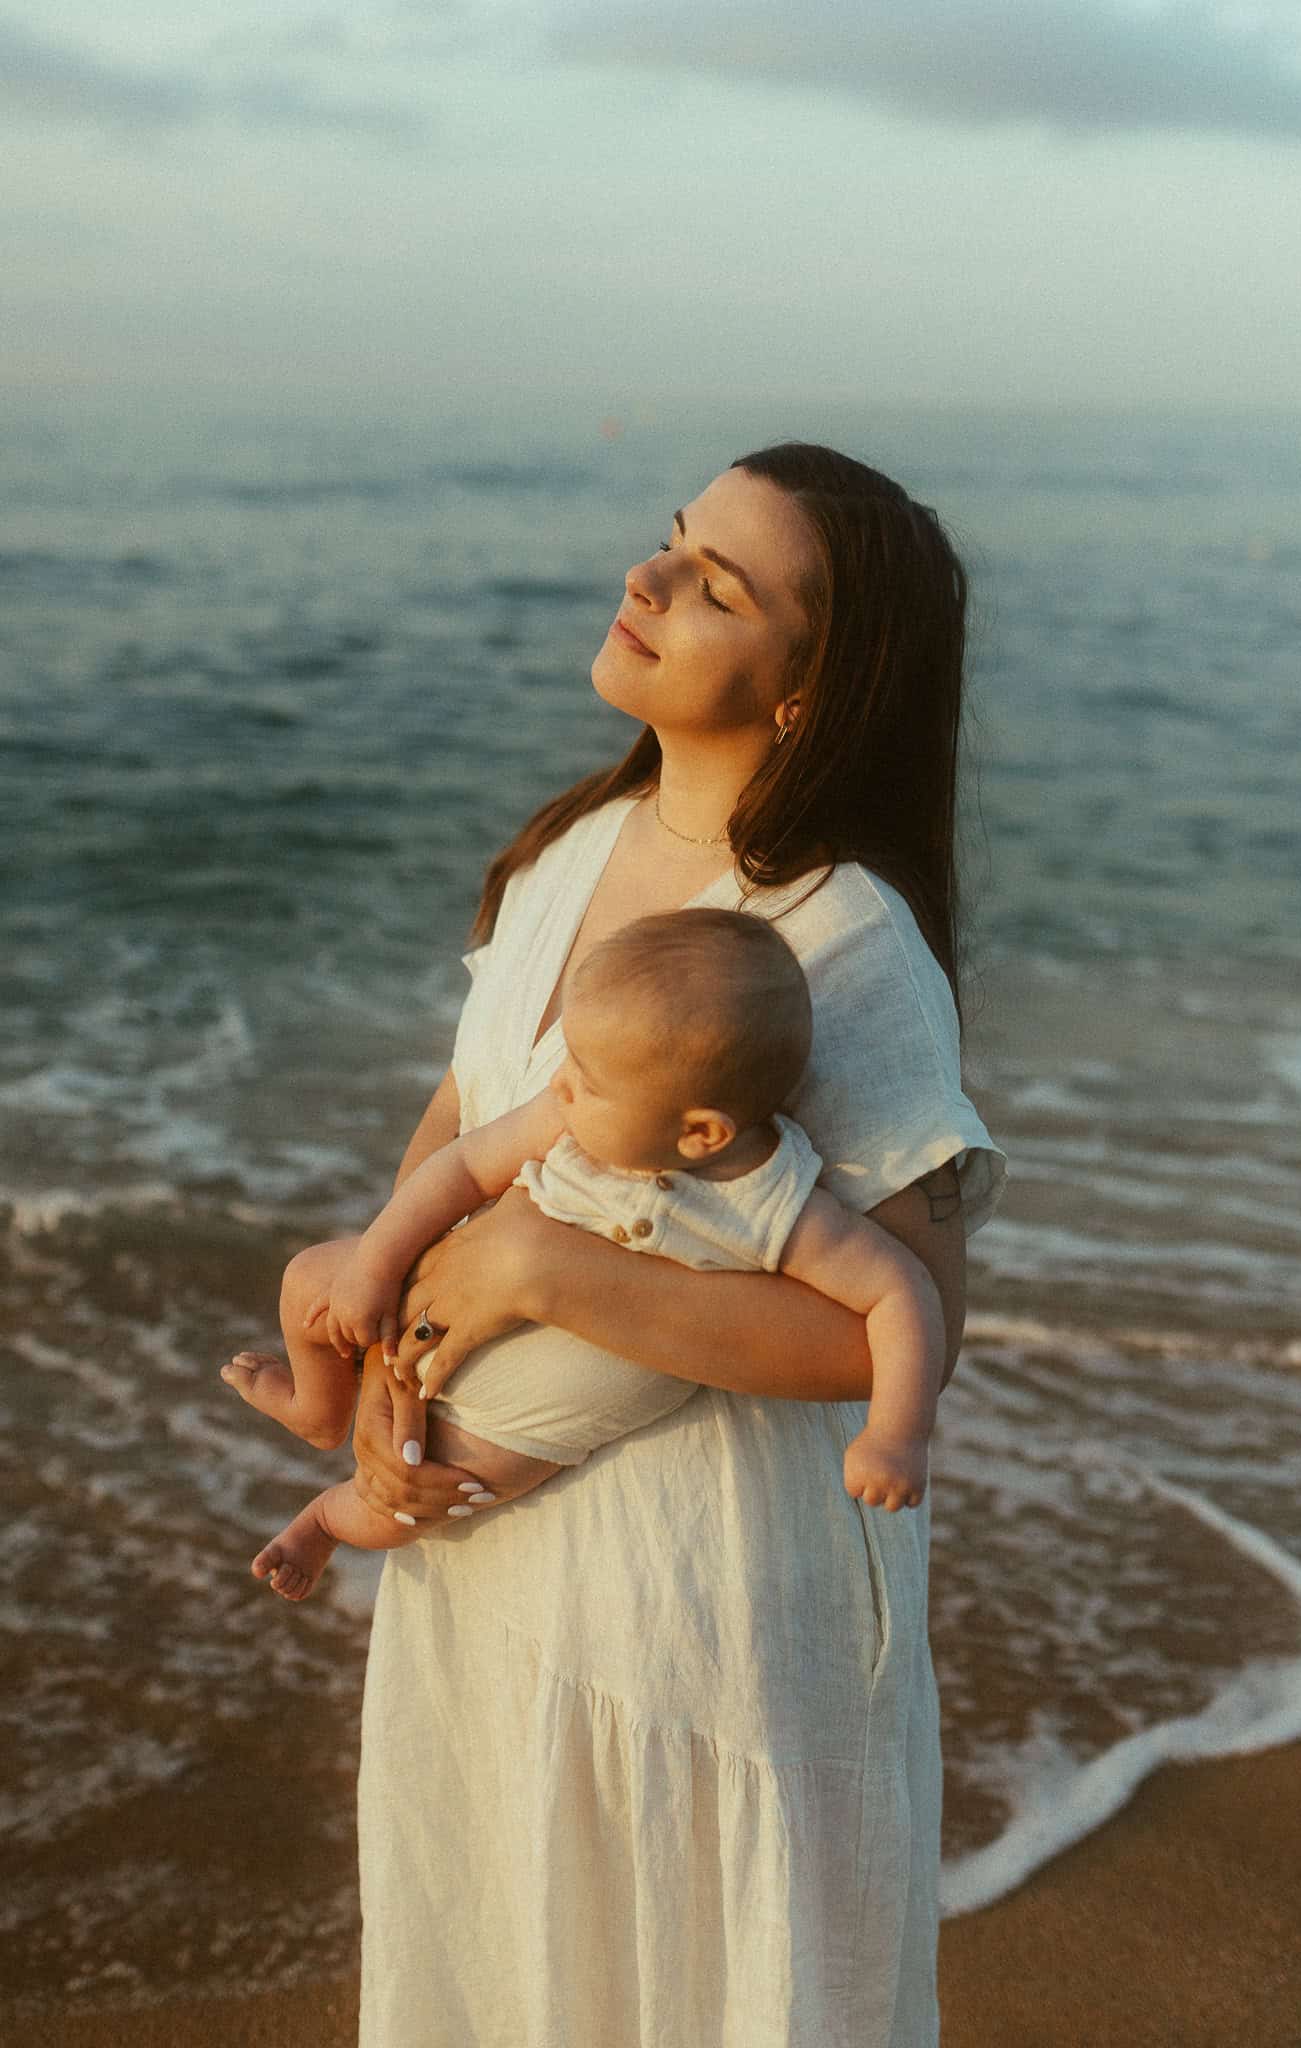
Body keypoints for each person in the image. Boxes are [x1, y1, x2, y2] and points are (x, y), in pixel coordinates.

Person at [338, 444, 1004, 2045]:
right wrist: (386, 1354)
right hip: (498, 1572)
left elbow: (891, 1325)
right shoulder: (578, 846)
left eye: (717, 585)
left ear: (810, 687)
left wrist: (547, 1273)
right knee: (507, 1969)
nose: (647, 582)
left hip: (705, 1622)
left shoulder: (843, 941)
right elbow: (476, 1094)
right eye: (669, 545)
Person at [228, 908, 947, 1600]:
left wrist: (895, 1435)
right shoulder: (569, 1115)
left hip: (533, 1419)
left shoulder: (772, 1204)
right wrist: (377, 1264)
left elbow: (899, 1293)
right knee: (309, 1279)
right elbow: (460, 1169)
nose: (560, 1084)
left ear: (702, 1134)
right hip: (450, 1290)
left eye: (587, 1082)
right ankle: (318, 1408)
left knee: (408, 1504)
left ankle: (323, 1517)